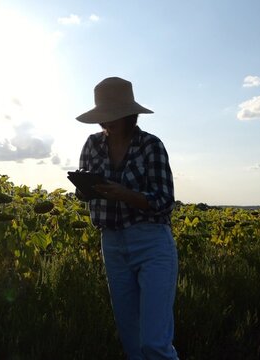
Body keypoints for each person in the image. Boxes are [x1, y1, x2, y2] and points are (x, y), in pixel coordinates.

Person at [75, 77, 179, 359]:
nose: (106, 123)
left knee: (154, 343)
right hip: (112, 243)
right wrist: (85, 189)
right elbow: (87, 196)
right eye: (103, 118)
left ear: (129, 115)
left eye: (113, 117)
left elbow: (164, 201)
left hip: (151, 241)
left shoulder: (150, 145)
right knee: (132, 344)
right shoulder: (92, 145)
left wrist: (124, 194)